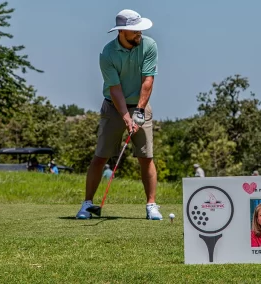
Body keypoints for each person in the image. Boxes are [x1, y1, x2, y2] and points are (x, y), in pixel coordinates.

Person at [76, 9, 162, 220]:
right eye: (135, 31)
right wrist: (125, 117)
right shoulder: (107, 54)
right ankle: (87, 204)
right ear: (123, 31)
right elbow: (114, 89)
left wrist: (139, 112)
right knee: (101, 156)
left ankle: (151, 205)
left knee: (146, 156)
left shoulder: (149, 45)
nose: (139, 34)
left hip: (141, 105)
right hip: (113, 107)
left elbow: (148, 80)